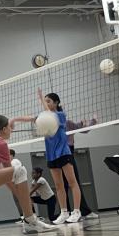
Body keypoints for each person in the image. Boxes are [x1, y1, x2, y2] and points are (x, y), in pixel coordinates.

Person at [16, 91, 82, 224]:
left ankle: (76, 212)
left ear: (56, 103)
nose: (46, 104)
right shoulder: (44, 117)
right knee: (58, 185)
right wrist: (14, 120)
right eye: (45, 101)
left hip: (63, 152)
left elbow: (50, 115)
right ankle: (64, 212)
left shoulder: (60, 115)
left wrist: (41, 99)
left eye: (49, 101)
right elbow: (31, 118)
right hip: (51, 155)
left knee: (72, 182)